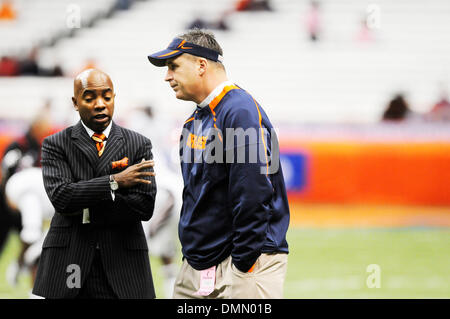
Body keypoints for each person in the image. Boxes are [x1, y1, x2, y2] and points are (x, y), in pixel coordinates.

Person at [147, 29, 290, 299]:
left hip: (240, 265)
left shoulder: (239, 111)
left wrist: (243, 262)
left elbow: (254, 192)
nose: (167, 76)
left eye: (173, 66)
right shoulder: (195, 120)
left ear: (201, 65)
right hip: (198, 266)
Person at [32, 68, 157, 299]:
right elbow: (62, 198)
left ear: (114, 98)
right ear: (75, 102)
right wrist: (114, 182)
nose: (100, 104)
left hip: (122, 261)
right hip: (70, 259)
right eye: (90, 98)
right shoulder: (56, 144)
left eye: (106, 97)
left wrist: (85, 195)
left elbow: (144, 206)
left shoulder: (139, 144)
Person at [0, 111, 52, 256]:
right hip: (8, 200)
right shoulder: (17, 145)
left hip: (28, 200)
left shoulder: (42, 148)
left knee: (33, 240)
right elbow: (5, 172)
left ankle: (23, 268)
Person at [5, 167, 53, 299]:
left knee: (36, 253)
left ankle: (37, 293)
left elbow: (31, 233)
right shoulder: (31, 182)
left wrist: (18, 263)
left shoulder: (21, 189)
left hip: (77, 213)